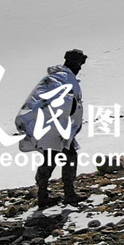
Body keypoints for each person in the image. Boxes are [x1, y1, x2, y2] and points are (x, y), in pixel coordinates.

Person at [15, 48, 87, 208]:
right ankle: (68, 194)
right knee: (67, 156)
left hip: (56, 126)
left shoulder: (60, 77)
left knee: (52, 158)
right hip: (55, 127)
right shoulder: (61, 78)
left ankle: (44, 194)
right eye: (80, 62)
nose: (81, 66)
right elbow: (55, 100)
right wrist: (71, 105)